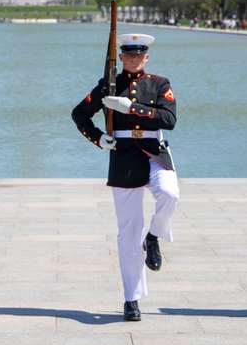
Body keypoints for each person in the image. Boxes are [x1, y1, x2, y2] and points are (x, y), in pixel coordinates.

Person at [71, 33, 179, 322]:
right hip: (124, 156)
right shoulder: (108, 84)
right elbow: (79, 114)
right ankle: (131, 298)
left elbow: (169, 120)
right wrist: (98, 138)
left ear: (147, 57)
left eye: (139, 54)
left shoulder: (159, 83)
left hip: (154, 150)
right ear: (120, 57)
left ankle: (154, 236)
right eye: (128, 54)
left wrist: (132, 108)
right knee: (128, 233)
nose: (133, 59)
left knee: (170, 194)